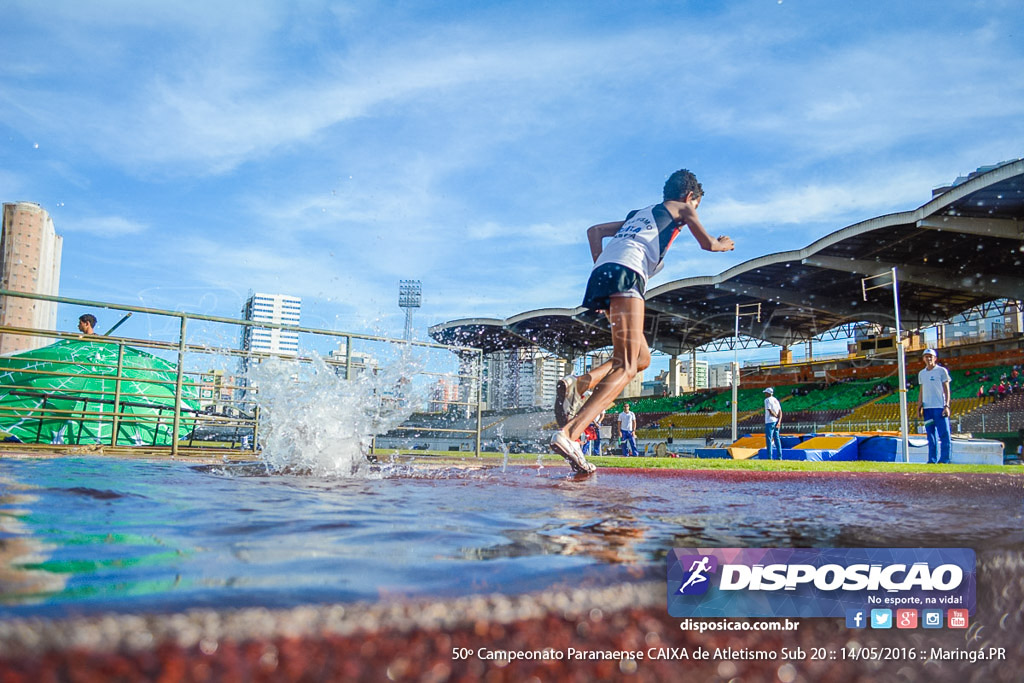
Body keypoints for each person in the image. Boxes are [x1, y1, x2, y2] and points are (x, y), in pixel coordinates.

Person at [550, 169, 734, 472]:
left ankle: (579, 382)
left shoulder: (639, 213)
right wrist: (724, 243)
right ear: (690, 197)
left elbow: (594, 231)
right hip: (628, 272)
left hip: (603, 271)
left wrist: (602, 267)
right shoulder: (685, 207)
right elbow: (709, 244)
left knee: (642, 358)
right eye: (696, 205)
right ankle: (571, 434)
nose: (693, 211)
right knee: (627, 364)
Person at [917, 348, 952, 464]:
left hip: (939, 407)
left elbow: (947, 389)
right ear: (923, 359)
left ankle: (945, 459)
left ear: (935, 358)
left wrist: (946, 405)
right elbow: (921, 391)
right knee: (930, 436)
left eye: (931, 356)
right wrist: (919, 406)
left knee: (944, 434)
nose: (929, 358)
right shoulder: (921, 374)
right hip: (927, 409)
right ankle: (932, 459)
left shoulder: (941, 371)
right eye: (926, 356)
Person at [764, 387, 782, 460]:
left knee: (769, 439)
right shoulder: (776, 400)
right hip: (776, 421)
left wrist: (775, 415)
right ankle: (779, 456)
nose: (765, 394)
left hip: (769, 421)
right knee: (777, 439)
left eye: (765, 393)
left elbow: (769, 410)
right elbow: (780, 411)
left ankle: (769, 457)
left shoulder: (767, 400)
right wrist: (779, 421)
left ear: (768, 393)